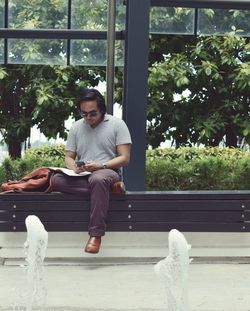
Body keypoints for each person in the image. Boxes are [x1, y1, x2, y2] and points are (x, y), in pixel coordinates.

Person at [51, 88, 132, 254]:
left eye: (92, 113)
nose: (88, 117)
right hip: (84, 175)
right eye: (84, 114)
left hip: (107, 171)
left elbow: (124, 158)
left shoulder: (117, 124)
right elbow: (68, 157)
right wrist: (74, 167)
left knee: (98, 180)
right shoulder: (76, 128)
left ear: (101, 109)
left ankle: (95, 234)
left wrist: (101, 166)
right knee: (55, 180)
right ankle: (110, 190)